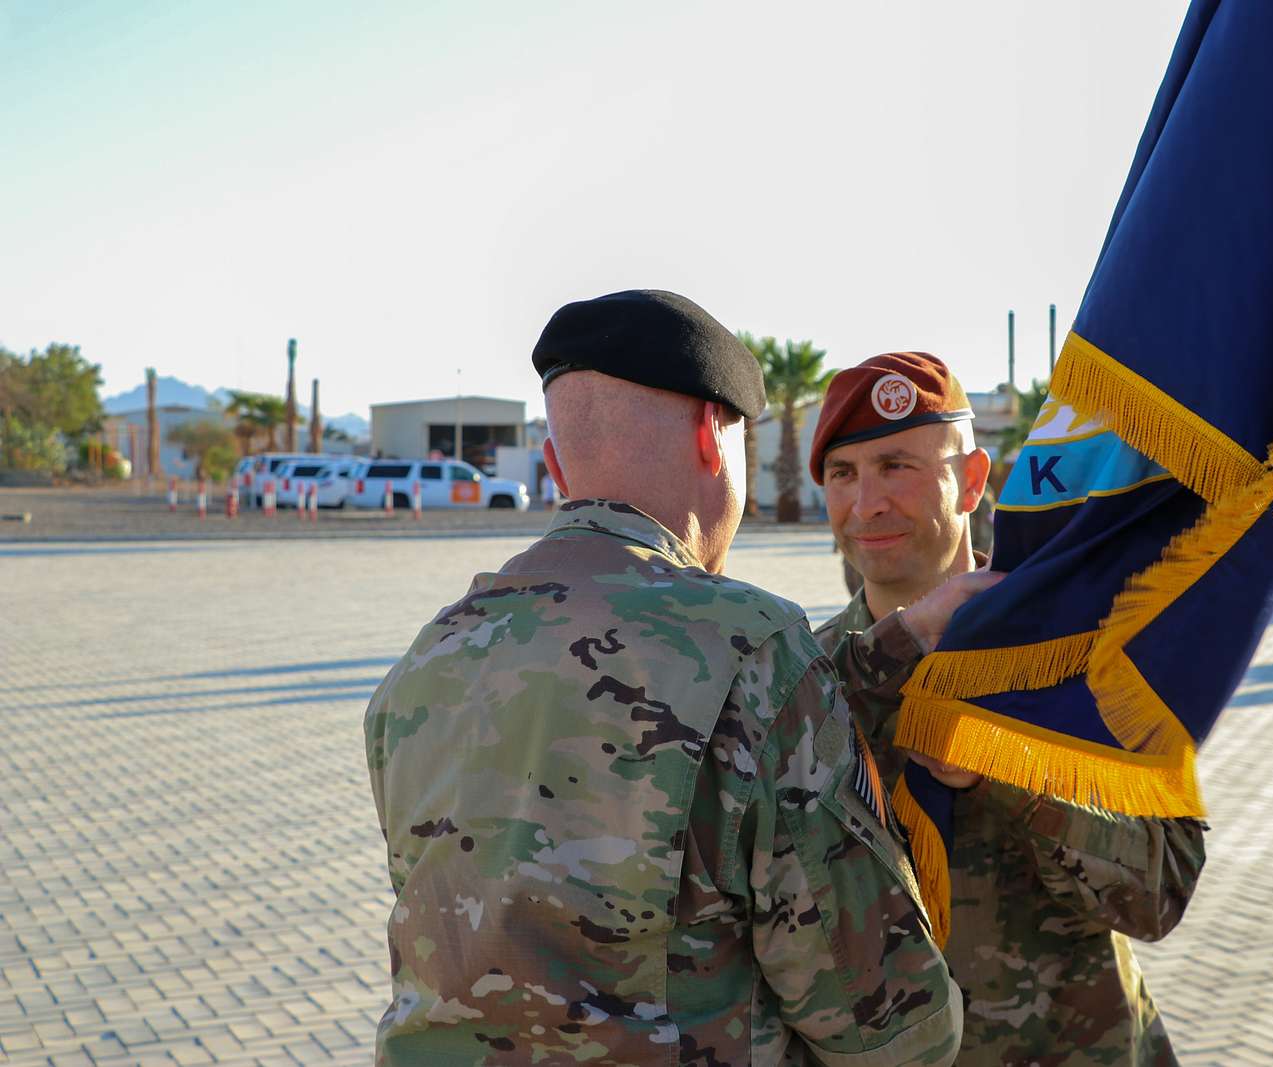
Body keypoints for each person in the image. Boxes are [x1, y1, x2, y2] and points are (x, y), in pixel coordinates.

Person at [363, 291, 972, 1066]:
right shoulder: (754, 648)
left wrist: (892, 645)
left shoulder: (422, 664)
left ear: (555, 465)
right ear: (712, 436)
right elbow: (895, 1030)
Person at [808, 352, 1207, 1066]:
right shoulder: (804, 682)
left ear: (969, 481)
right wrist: (900, 650)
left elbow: (1158, 894)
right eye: (843, 473)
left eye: (897, 465)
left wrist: (1010, 766)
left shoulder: (1082, 652)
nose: (866, 502)